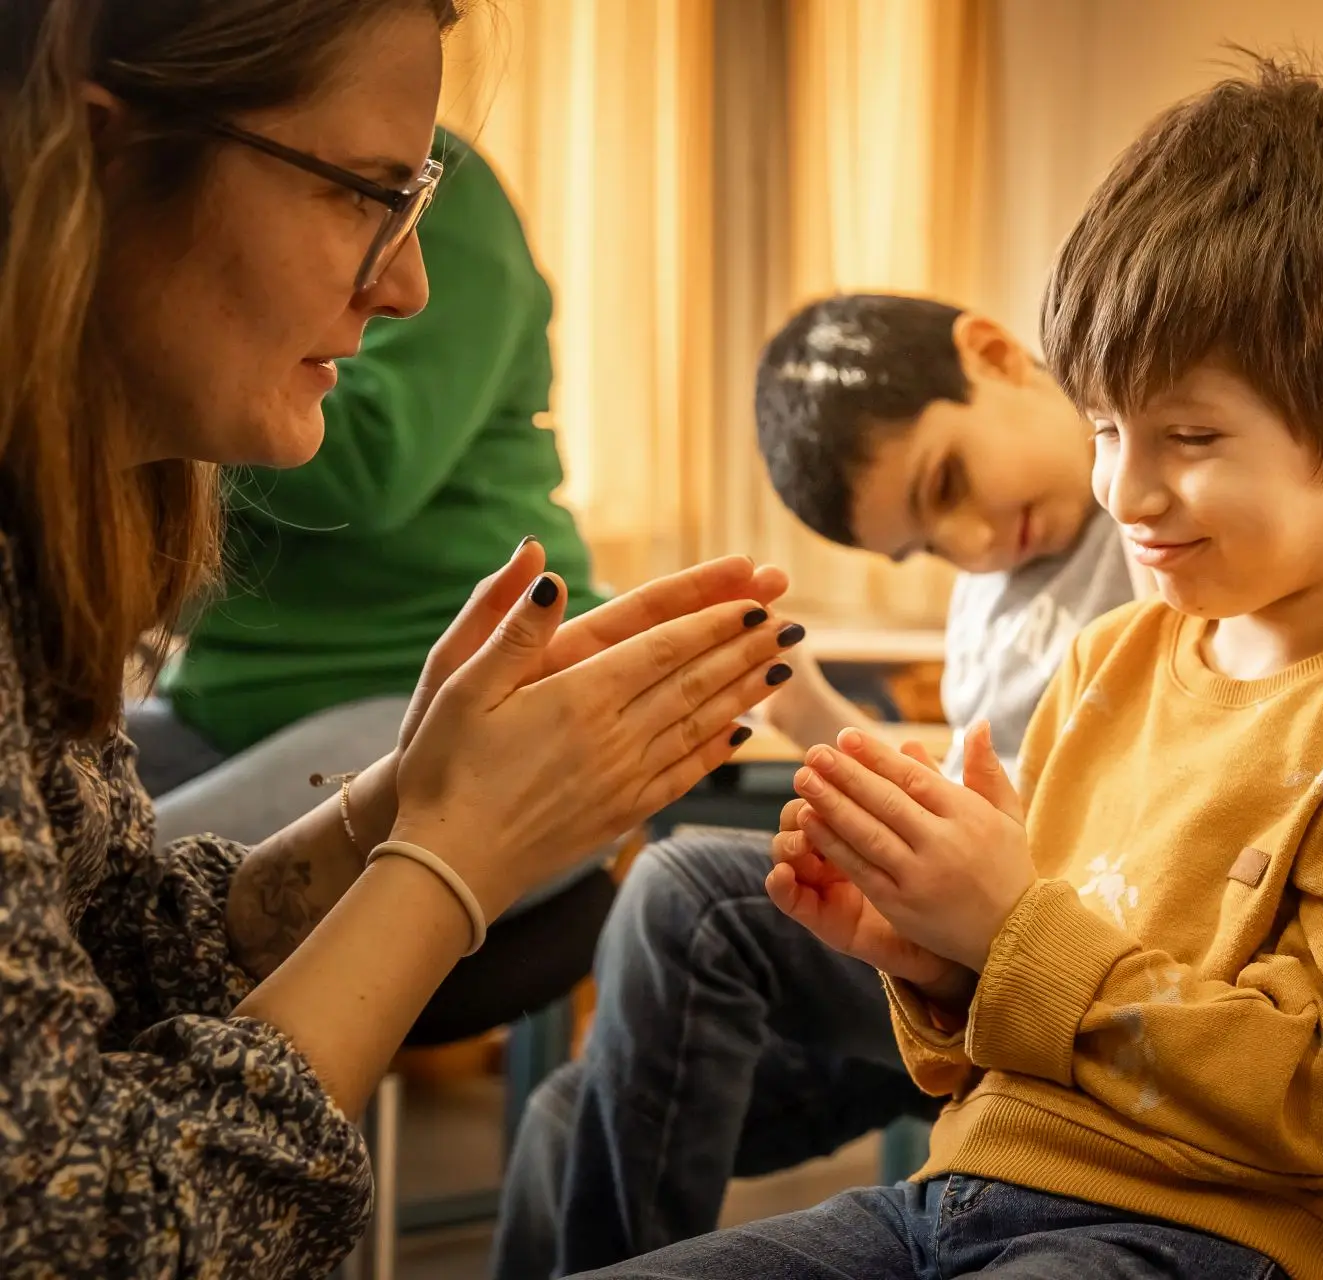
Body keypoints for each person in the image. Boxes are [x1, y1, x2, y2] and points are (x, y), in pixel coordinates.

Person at [584, 52, 1323, 1280]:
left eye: (1189, 435)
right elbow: (996, 1045)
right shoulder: (1109, 660)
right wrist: (933, 952)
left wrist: (1012, 924)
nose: (1124, 490)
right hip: (971, 1188)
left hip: (1229, 1233)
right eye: (1103, 426)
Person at [0, 3, 803, 1276]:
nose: (407, 284)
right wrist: (448, 852)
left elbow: (106, 934)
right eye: (362, 194)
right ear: (105, 158)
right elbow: (90, 1238)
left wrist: (397, 804)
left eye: (415, 197)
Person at [492, 293, 1140, 1277]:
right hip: (946, 973)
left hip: (1058, 946)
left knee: (685, 891)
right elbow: (970, 789)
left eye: (948, 479)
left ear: (994, 354)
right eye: (926, 547)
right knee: (565, 1111)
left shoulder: (1146, 516)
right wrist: (799, 704)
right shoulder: (988, 594)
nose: (969, 541)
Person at [128, 123, 606, 847]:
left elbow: (372, 463)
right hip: (225, 694)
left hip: (421, 681)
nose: (404, 289)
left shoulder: (441, 188)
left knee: (101, 883)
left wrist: (138, 391)